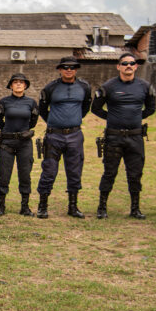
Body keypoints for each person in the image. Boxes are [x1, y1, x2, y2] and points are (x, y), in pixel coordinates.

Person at [92, 53, 156, 219]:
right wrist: (113, 117)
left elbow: (151, 108)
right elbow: (96, 108)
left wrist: (136, 117)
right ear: (118, 66)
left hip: (135, 137)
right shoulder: (109, 86)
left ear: (136, 66)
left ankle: (135, 209)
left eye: (131, 63)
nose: (128, 66)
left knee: (135, 174)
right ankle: (102, 207)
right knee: (109, 172)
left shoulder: (144, 86)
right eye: (125, 63)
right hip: (114, 137)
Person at [36, 56, 92, 219]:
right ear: (60, 69)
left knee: (75, 171)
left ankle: (73, 207)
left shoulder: (84, 86)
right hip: (54, 136)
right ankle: (42, 206)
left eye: (72, 67)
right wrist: (55, 123)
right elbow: (43, 109)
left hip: (75, 135)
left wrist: (72, 121)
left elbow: (85, 107)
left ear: (76, 69)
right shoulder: (51, 88)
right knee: (49, 170)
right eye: (65, 67)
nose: (69, 70)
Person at [0, 73, 39, 217]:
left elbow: (33, 122)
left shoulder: (31, 103)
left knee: (25, 175)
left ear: (25, 85)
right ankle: (1, 206)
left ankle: (25, 207)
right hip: (7, 142)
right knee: (4, 175)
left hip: (24, 143)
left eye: (21, 82)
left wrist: (22, 132)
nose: (19, 84)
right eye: (15, 82)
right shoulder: (3, 102)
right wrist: (8, 132)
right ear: (11, 85)